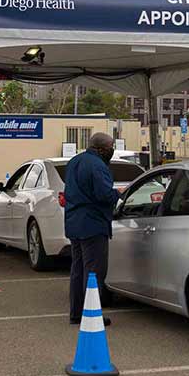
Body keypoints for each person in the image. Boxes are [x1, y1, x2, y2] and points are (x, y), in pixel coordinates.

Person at [64, 132, 120, 326]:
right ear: (102, 148)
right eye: (111, 147)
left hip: (74, 223)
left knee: (78, 269)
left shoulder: (74, 162)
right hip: (93, 224)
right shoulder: (98, 166)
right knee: (94, 272)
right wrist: (118, 194)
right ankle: (91, 315)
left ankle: (76, 313)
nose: (112, 151)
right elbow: (104, 195)